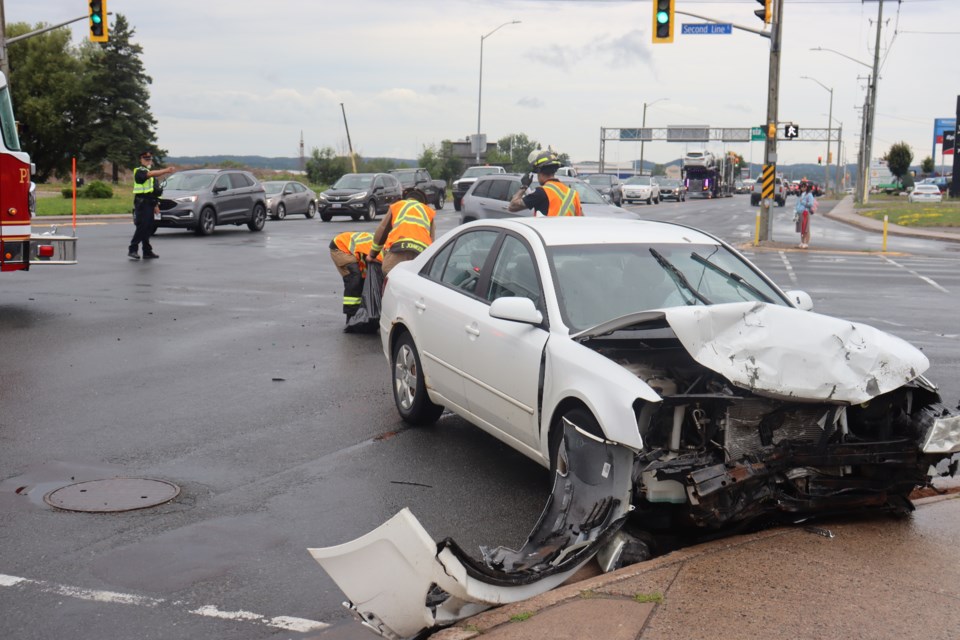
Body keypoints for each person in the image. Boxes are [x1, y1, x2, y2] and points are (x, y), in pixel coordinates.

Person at [367, 194, 436, 276]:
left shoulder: (397, 206)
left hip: (399, 248)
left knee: (389, 271)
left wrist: (372, 255)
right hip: (421, 252)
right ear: (423, 202)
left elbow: (382, 231)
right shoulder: (428, 211)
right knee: (417, 278)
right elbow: (432, 239)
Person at [129, 151, 175, 260]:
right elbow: (149, 174)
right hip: (141, 202)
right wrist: (166, 171)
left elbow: (153, 191)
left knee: (149, 227)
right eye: (146, 159)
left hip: (150, 202)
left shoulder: (151, 174)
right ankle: (132, 249)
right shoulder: (139, 171)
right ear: (141, 160)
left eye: (150, 159)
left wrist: (156, 205)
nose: (148, 161)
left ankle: (147, 251)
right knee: (142, 226)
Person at [507, 150, 583, 217]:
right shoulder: (572, 194)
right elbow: (582, 219)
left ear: (539, 171)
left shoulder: (541, 192)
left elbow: (512, 206)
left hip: (546, 233)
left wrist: (524, 186)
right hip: (569, 233)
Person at [330, 230, 380, 319]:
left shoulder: (382, 246)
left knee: (362, 279)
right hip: (340, 247)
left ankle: (358, 312)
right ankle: (351, 313)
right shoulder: (379, 251)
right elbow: (371, 259)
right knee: (354, 277)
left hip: (351, 250)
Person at [795, 181, 817, 249]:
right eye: (801, 186)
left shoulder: (809, 195)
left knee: (806, 228)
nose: (802, 188)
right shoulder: (802, 194)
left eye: (804, 186)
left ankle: (806, 243)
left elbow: (811, 204)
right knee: (801, 228)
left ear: (807, 187)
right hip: (800, 212)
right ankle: (802, 242)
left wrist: (803, 202)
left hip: (805, 212)